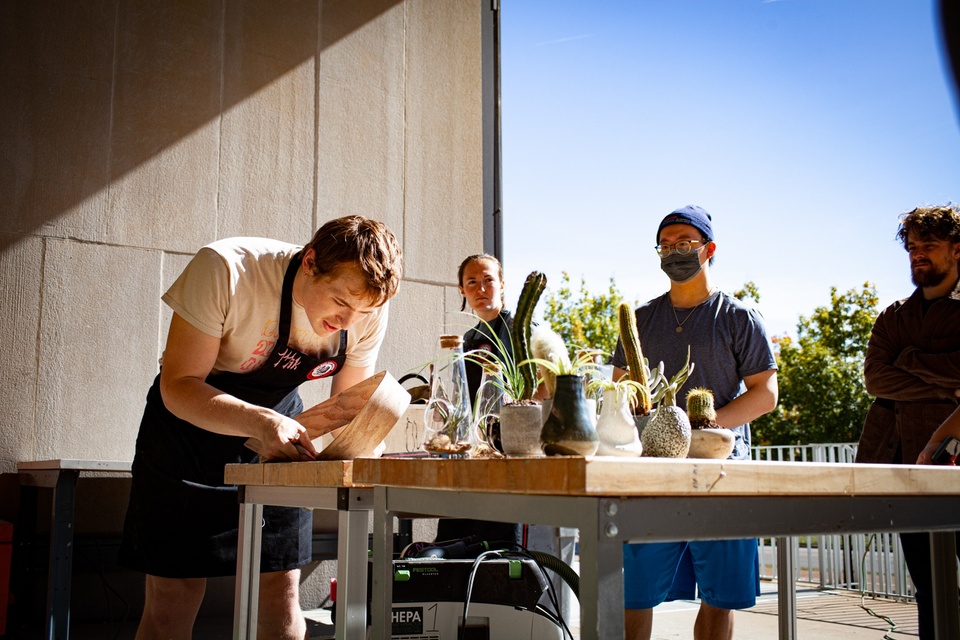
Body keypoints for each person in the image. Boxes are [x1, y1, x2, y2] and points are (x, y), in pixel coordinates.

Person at [119, 215, 403, 640]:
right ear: (310, 262)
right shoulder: (227, 269)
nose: (348, 322)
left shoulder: (364, 312)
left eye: (363, 312)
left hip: (282, 434)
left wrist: (364, 445)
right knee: (173, 598)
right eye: (341, 303)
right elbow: (177, 386)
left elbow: (347, 407)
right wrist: (260, 420)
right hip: (187, 431)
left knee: (282, 590)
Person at [611, 205, 778, 640]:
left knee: (719, 599)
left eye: (685, 243)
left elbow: (766, 393)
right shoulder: (641, 319)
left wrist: (701, 431)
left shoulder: (740, 317)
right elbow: (620, 391)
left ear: (709, 249)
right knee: (635, 594)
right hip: (652, 478)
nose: (674, 252)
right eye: (665, 245)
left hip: (723, 476)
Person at [856, 204, 960, 639]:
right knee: (929, 587)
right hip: (905, 468)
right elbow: (875, 377)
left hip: (955, 466)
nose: (917, 254)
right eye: (912, 247)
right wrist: (944, 384)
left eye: (928, 246)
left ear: (956, 250)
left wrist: (910, 361)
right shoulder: (894, 316)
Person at [432, 253, 523, 548]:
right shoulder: (467, 338)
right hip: (466, 455)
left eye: (488, 280)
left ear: (502, 285)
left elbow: (539, 390)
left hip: (505, 455)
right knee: (455, 539)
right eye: (472, 282)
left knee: (497, 545)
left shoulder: (519, 330)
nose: (481, 289)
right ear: (462, 290)